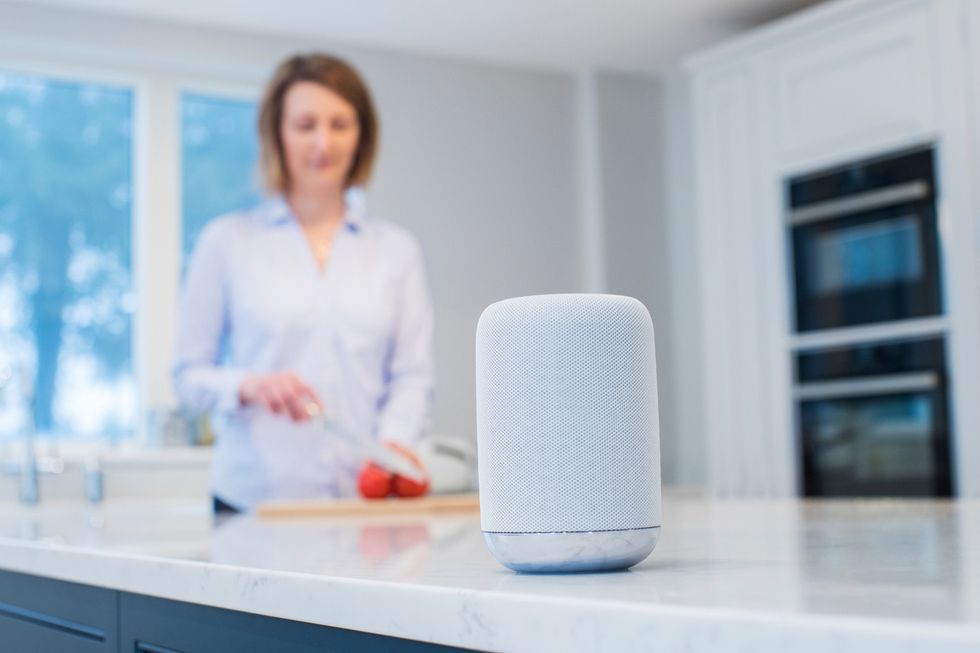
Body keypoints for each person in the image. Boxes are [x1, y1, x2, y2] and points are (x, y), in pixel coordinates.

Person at [172, 53, 435, 514]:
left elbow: (412, 376)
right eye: (305, 124)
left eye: (340, 124)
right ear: (277, 134)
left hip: (363, 506)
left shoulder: (397, 250)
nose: (323, 142)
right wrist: (248, 385)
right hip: (253, 503)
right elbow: (187, 378)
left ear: (362, 135)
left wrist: (391, 449)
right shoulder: (227, 242)